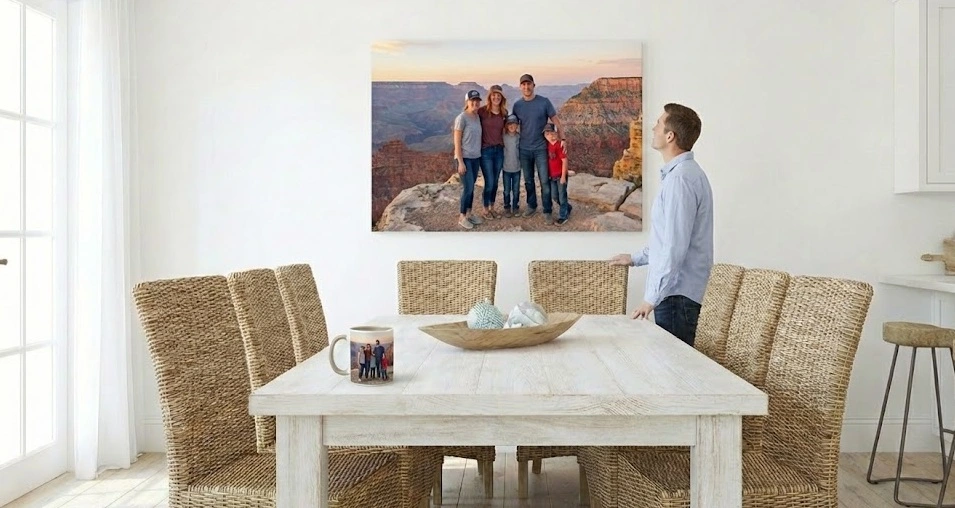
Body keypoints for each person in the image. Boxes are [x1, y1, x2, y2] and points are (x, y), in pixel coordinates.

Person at [610, 103, 713, 346]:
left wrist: (651, 298)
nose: (653, 128)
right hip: (676, 295)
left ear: (670, 136)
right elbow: (667, 240)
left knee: (674, 374)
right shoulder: (682, 175)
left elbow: (674, 248)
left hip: (677, 297)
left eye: (658, 123)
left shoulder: (681, 181)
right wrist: (635, 258)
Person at [511, 73, 566, 225]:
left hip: (541, 148)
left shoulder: (544, 102)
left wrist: (563, 139)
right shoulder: (517, 105)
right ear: (520, 87)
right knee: (528, 181)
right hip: (524, 149)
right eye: (524, 84)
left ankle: (547, 210)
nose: (526, 87)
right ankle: (532, 205)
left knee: (544, 181)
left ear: (533, 85)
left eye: (529, 84)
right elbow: (511, 126)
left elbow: (556, 121)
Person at [453, 90, 484, 229]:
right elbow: (457, 142)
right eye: (472, 100)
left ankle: (469, 214)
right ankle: (462, 217)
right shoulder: (461, 118)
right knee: (468, 188)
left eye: (477, 100)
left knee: (471, 188)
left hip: (475, 158)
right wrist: (460, 161)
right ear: (467, 102)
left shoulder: (477, 117)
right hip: (464, 158)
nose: (475, 102)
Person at [478, 84, 508, 219]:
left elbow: (508, 130)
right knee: (489, 181)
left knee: (495, 181)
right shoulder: (482, 111)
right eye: (493, 95)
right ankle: (485, 209)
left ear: (502, 97)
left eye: (498, 95)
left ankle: (492, 207)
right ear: (490, 97)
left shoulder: (504, 113)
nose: (496, 97)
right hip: (486, 151)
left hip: (499, 150)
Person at [542, 123, 572, 225]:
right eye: (548, 134)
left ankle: (563, 216)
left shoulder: (559, 145)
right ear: (545, 136)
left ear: (556, 134)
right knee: (555, 196)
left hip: (560, 176)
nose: (551, 136)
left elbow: (564, 161)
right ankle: (568, 207)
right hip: (552, 176)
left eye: (553, 134)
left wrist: (564, 176)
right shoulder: (547, 145)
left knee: (562, 196)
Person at [501, 114, 521, 217]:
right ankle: (507, 207)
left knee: (516, 190)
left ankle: (515, 207)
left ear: (517, 125)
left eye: (514, 124)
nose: (512, 126)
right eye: (509, 124)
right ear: (506, 126)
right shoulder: (503, 137)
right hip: (506, 168)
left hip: (517, 168)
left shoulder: (519, 137)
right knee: (507, 190)